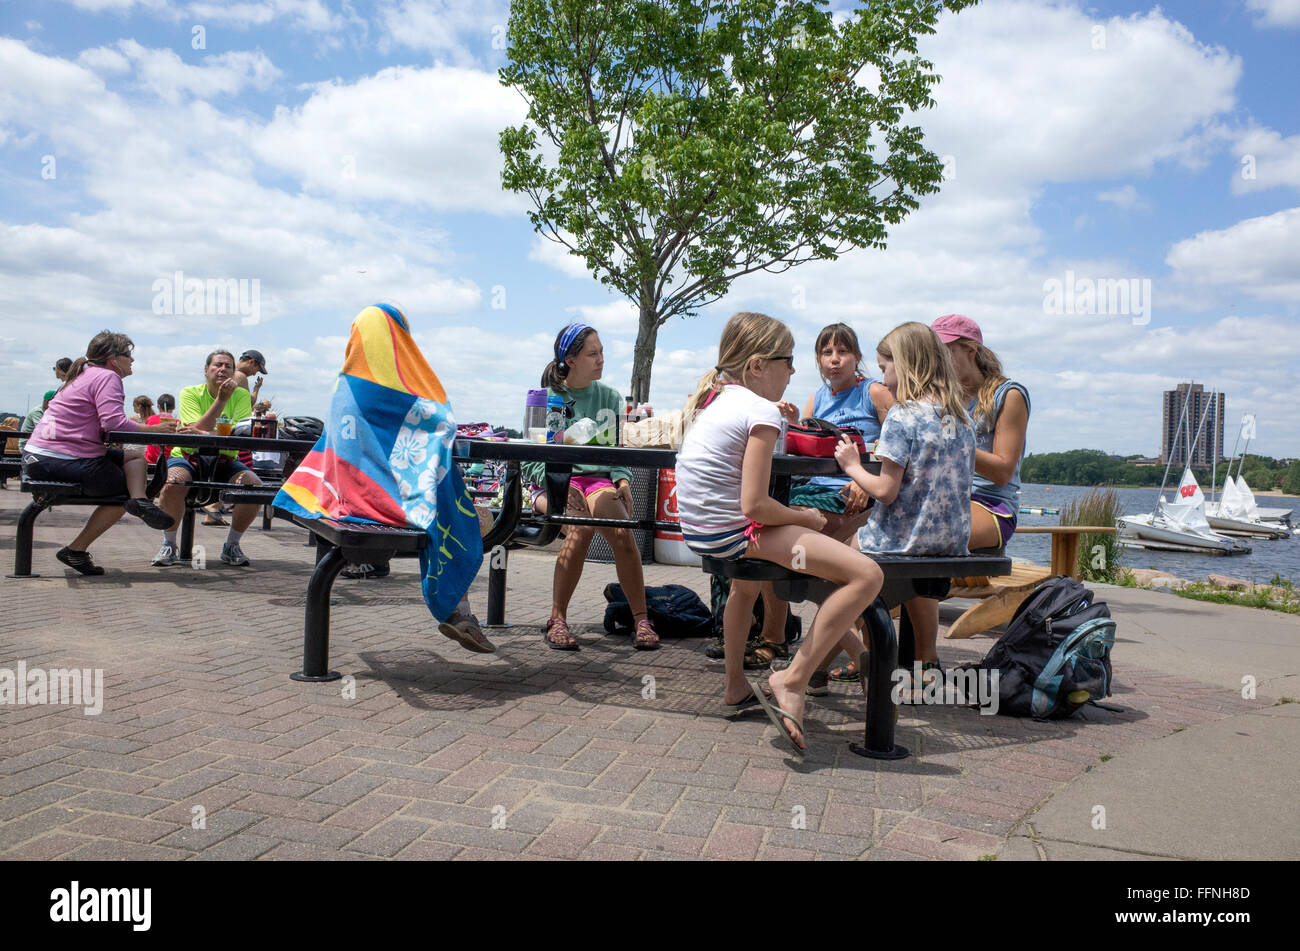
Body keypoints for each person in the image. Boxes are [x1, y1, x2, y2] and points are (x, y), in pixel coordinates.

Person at [674, 312, 884, 753]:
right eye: (787, 361)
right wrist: (802, 518)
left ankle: (735, 685)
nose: (792, 371)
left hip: (700, 534)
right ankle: (793, 678)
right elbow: (755, 506)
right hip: (736, 534)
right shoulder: (760, 410)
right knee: (866, 576)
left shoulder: (713, 402)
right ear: (756, 366)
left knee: (747, 586)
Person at [274, 303, 492, 654]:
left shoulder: (344, 388)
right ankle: (459, 610)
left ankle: (461, 609)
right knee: (458, 510)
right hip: (382, 507)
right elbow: (439, 426)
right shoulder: (391, 393)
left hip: (342, 500)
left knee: (449, 499)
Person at [832, 321, 975, 690]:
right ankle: (916, 663)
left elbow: (885, 491)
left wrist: (851, 465)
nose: (883, 378)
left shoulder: (902, 415)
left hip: (902, 540)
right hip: (950, 542)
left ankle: (866, 658)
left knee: (834, 563)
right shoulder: (961, 417)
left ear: (906, 364)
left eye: (884, 368)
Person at [754, 322, 895, 684]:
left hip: (852, 495)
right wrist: (792, 424)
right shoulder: (818, 397)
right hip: (814, 490)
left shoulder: (874, 393)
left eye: (843, 352)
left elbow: (901, 439)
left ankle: (851, 656)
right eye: (827, 353)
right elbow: (807, 444)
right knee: (765, 533)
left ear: (857, 357)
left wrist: (865, 475)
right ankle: (784, 641)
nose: (835, 360)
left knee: (810, 562)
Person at [522, 323, 658, 651]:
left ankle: (641, 619)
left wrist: (623, 480)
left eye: (602, 353)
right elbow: (528, 461)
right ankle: (557, 618)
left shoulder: (609, 397)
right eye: (592, 354)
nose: (601, 360)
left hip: (594, 480)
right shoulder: (543, 399)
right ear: (570, 359)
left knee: (622, 531)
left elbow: (614, 452)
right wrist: (557, 484)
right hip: (549, 481)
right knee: (580, 529)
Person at [22, 332, 177, 574]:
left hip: (43, 455)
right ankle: (76, 550)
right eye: (129, 355)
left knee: (135, 455)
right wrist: (155, 429)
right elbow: (113, 424)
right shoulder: (107, 377)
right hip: (59, 458)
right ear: (114, 359)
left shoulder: (83, 375)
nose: (132, 360)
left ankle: (140, 501)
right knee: (122, 490)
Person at [152, 351, 262, 568]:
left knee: (254, 488)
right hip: (187, 456)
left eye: (228, 366)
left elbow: (238, 433)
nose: (222, 369)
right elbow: (198, 432)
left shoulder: (240, 395)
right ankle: (169, 544)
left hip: (225, 459)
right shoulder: (190, 393)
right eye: (217, 364)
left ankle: (231, 545)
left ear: (233, 371)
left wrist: (200, 432)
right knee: (173, 483)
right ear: (206, 370)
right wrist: (221, 401)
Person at [931, 314, 1031, 550]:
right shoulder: (942, 399)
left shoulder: (1008, 395)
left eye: (945, 352)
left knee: (925, 535)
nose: (937, 362)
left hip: (991, 504)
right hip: (943, 498)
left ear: (971, 350)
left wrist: (953, 445)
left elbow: (1002, 472)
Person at [144, 394, 176, 466]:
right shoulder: (176, 422)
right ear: (174, 407)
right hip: (168, 462)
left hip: (150, 460)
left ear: (158, 407)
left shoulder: (150, 419)